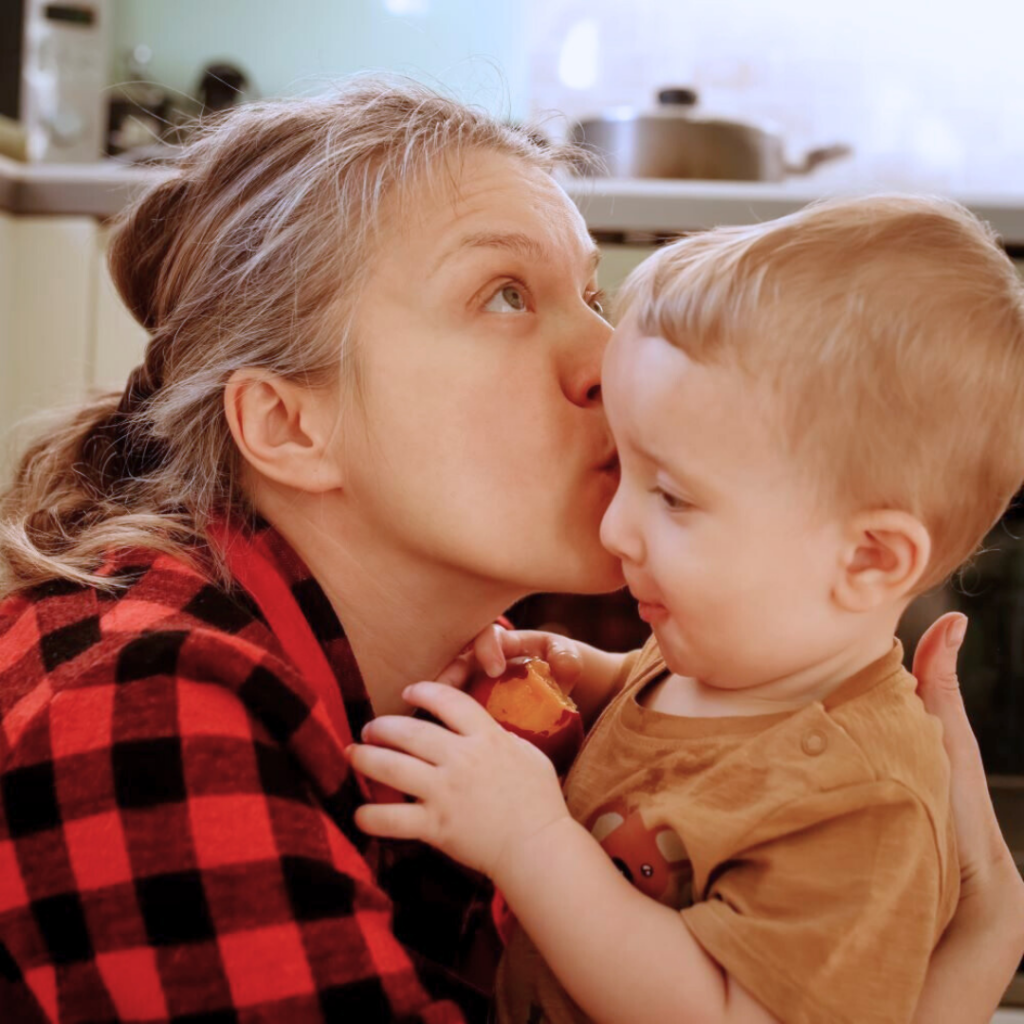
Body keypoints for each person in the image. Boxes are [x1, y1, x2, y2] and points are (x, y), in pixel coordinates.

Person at [0, 78, 1017, 1023]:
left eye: (592, 298)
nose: (608, 360)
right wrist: (965, 969)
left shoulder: (475, 689)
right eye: (504, 296)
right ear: (291, 425)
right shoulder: (134, 701)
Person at [349, 196, 1024, 1024]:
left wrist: (530, 843)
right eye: (624, 469)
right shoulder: (722, 655)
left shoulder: (861, 803)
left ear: (869, 560)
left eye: (671, 495)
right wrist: (583, 675)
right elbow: (661, 711)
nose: (614, 528)